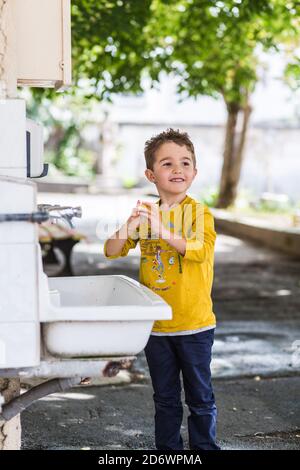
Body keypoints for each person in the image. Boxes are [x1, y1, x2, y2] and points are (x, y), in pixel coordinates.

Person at [104, 128, 220, 450]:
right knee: (166, 400)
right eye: (167, 164)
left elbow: (199, 250)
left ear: (195, 173)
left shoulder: (200, 214)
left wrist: (161, 228)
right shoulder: (145, 216)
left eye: (185, 163)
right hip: (156, 329)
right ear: (151, 174)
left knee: (200, 397)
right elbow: (111, 250)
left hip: (194, 325)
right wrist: (130, 224)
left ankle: (204, 450)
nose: (178, 170)